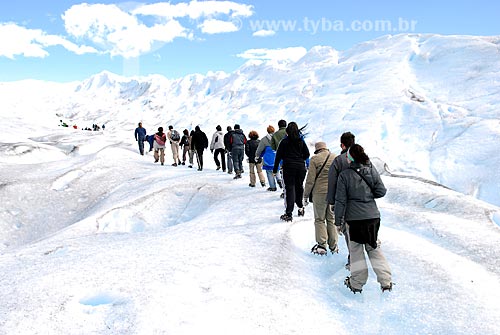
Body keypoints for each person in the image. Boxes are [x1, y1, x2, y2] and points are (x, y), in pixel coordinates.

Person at [335, 144, 392, 293]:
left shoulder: (344, 175)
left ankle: (357, 283)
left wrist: (338, 221)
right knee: (373, 246)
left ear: (350, 158)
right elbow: (381, 191)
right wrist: (366, 196)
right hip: (372, 216)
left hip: (354, 220)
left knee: (356, 250)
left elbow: (340, 201)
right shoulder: (370, 170)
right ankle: (386, 282)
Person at [327, 131, 355, 268]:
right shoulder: (364, 158)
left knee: (349, 233)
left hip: (345, 203)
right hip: (364, 202)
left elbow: (332, 182)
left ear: (342, 145)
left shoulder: (339, 160)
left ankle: (353, 260)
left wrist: (332, 202)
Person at [303, 142, 337, 255]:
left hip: (319, 193)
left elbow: (310, 180)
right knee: (331, 219)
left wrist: (305, 195)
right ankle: (334, 245)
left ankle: (322, 245)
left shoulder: (314, 159)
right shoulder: (335, 157)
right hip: (333, 193)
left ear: (317, 150)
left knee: (319, 219)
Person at [272, 121, 310, 222]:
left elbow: (278, 156)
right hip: (300, 168)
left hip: (288, 168)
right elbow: (307, 154)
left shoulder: (284, 142)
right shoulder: (301, 141)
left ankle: (289, 213)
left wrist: (275, 169)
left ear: (287, 131)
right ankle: (301, 208)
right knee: (299, 187)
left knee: (290, 189)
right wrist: (300, 158)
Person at [255, 125, 283, 191]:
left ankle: (273, 187)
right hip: (276, 156)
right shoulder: (278, 137)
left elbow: (259, 149)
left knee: (269, 173)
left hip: (268, 158)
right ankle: (279, 179)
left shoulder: (264, 139)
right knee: (277, 170)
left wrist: (257, 155)